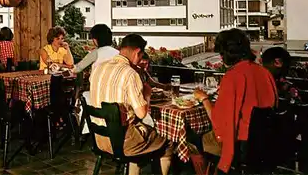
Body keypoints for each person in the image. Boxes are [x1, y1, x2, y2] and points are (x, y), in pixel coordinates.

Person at [193, 29, 278, 174]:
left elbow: (220, 123)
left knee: (193, 138)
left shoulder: (233, 76)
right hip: (267, 142)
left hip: (241, 145)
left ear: (226, 54)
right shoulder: (264, 72)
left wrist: (204, 99)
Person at [90, 34, 174, 175]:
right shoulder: (130, 73)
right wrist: (146, 94)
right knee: (168, 139)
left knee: (136, 128)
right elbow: (142, 114)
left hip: (100, 139)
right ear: (137, 52)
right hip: (123, 142)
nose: (140, 60)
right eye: (141, 57)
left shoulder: (99, 68)